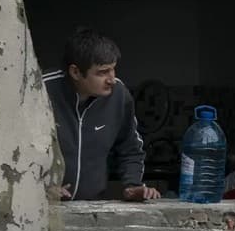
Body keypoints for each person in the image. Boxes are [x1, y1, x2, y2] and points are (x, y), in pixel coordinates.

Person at [42, 27, 161, 202]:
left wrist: (132, 185)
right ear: (75, 72)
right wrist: (39, 187)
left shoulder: (119, 95)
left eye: (113, 69)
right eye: (102, 72)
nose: (111, 79)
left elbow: (130, 147)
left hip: (92, 207)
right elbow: (15, 149)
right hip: (42, 210)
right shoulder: (40, 91)